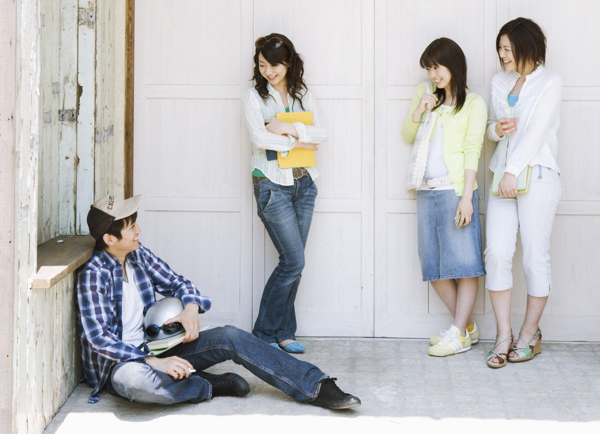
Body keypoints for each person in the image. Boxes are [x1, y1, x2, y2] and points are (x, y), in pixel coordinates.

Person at [76, 194, 359, 409]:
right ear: (109, 238)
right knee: (136, 384)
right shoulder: (93, 275)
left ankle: (315, 386)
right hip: (125, 364)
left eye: (136, 223)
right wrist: (149, 361)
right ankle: (206, 384)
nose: (138, 231)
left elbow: (180, 283)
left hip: (159, 349)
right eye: (131, 226)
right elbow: (98, 339)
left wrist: (190, 308)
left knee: (230, 336)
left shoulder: (138, 255)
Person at [402, 37, 487, 357]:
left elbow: (472, 150)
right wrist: (420, 112)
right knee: (433, 266)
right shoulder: (424, 96)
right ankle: (464, 329)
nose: (433, 74)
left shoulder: (474, 103)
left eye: (437, 67)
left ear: (454, 65)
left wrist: (466, 198)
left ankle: (458, 332)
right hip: (426, 189)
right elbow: (407, 136)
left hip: (455, 192)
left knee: (464, 265)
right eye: (428, 68)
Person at [485, 18, 561, 368]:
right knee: (497, 253)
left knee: (534, 256)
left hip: (538, 173)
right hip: (503, 174)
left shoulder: (550, 82)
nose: (502, 55)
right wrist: (497, 130)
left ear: (526, 45)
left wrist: (514, 171)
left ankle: (530, 333)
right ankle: (504, 334)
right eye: (500, 49)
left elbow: (536, 132)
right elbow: (494, 130)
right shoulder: (498, 81)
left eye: (507, 48)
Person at [243, 33, 327, 353]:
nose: (269, 71)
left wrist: (287, 128)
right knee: (293, 261)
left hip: (304, 184)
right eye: (263, 65)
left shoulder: (303, 94)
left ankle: (284, 332)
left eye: (275, 65)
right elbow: (259, 138)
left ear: (288, 63)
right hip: (270, 184)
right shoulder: (254, 97)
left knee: (296, 262)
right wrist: (299, 141)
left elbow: (323, 133)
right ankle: (263, 335)